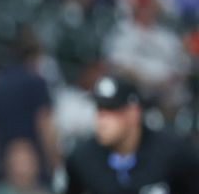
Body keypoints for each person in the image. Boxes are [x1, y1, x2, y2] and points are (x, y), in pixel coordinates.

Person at [64, 75, 199, 194]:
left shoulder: (174, 152)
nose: (101, 120)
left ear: (133, 113)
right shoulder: (82, 157)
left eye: (111, 110)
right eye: (99, 110)